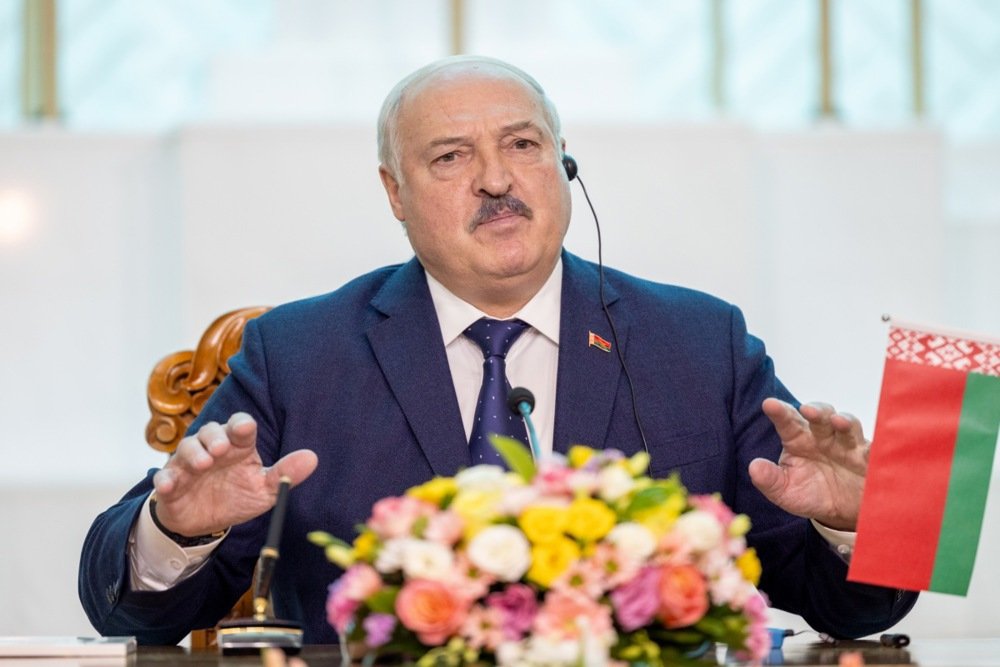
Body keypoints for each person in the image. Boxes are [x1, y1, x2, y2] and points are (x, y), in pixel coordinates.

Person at [79, 55, 916, 645]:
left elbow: (859, 612)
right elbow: (124, 609)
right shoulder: (299, 355)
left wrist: (859, 523)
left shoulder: (699, 344)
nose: (496, 178)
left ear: (562, 163)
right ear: (394, 194)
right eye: (451, 156)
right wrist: (174, 529)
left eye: (522, 145)